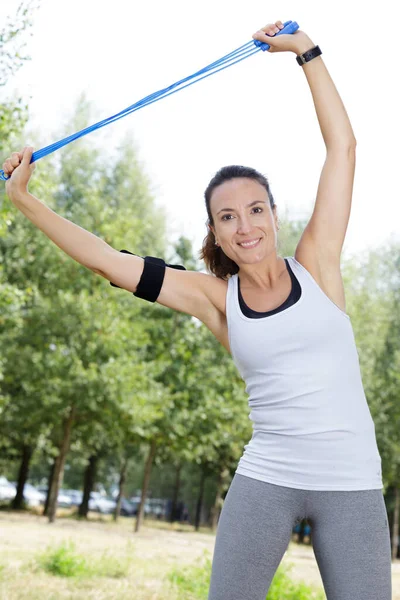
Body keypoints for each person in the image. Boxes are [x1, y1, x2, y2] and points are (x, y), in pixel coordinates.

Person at [2, 19, 392, 600]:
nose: (246, 226)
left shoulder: (319, 265)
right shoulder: (215, 298)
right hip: (267, 478)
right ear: (215, 230)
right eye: (228, 216)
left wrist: (305, 52)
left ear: (274, 214)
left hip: (352, 483)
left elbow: (344, 147)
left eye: (255, 209)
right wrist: (23, 200)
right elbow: (111, 262)